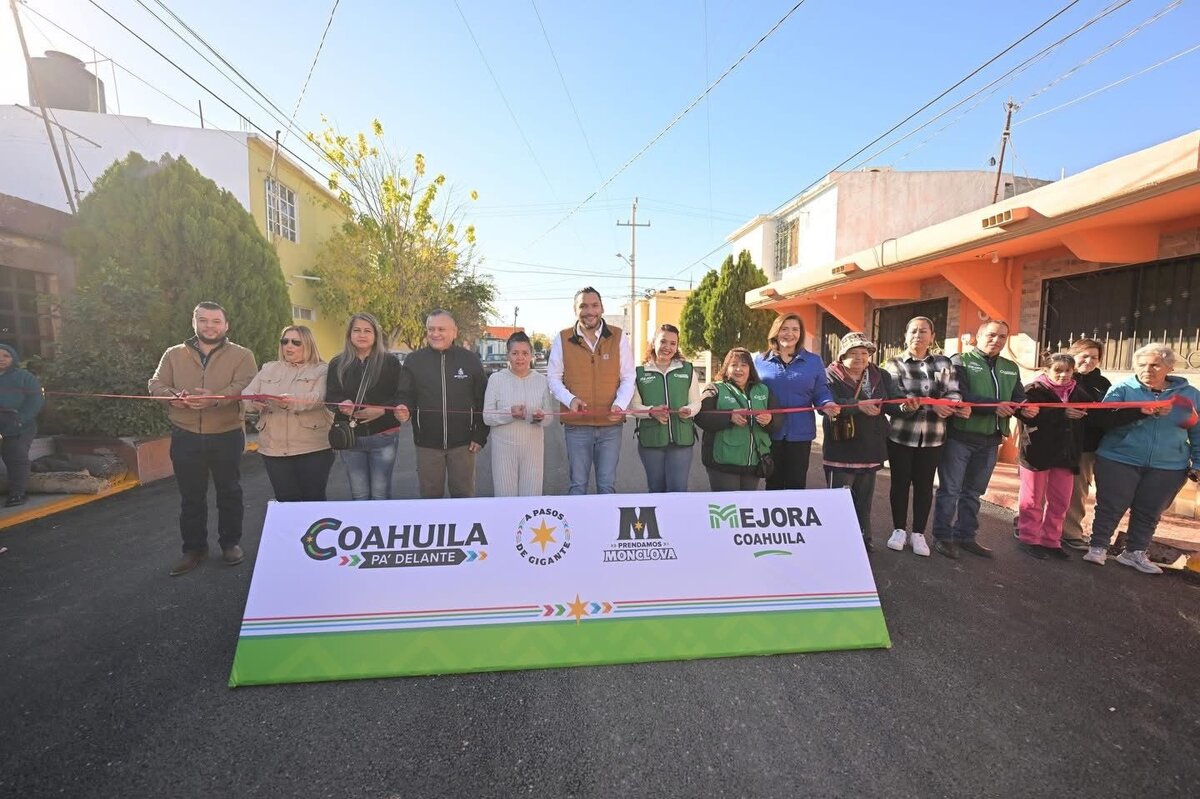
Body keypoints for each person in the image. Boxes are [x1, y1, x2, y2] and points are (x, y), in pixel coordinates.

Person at [148, 301, 257, 576]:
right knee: (191, 497)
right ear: (194, 322)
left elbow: (245, 385)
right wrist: (174, 397)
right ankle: (194, 549)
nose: (210, 326)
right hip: (185, 435)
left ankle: (230, 543)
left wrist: (215, 399)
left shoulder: (243, 355)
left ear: (226, 325)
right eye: (204, 320)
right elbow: (156, 384)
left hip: (226, 433)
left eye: (216, 321)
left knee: (229, 492)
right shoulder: (173, 354)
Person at [1083, 343, 1200, 574]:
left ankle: (1134, 553)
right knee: (1110, 506)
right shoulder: (1123, 388)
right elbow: (1104, 420)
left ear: (1169, 367)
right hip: (1119, 458)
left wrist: (1197, 463)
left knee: (1150, 511)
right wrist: (1140, 412)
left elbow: (1196, 431)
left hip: (1169, 465)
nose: (1147, 370)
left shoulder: (1189, 395)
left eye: (1155, 365)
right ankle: (1098, 547)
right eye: (1142, 364)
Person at [932, 320, 1037, 559]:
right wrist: (994, 407)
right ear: (978, 337)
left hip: (991, 440)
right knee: (950, 490)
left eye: (1002, 336)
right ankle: (942, 537)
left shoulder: (1010, 367)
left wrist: (1025, 408)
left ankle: (966, 536)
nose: (996, 340)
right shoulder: (960, 361)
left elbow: (1018, 397)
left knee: (974, 492)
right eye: (991, 335)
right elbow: (960, 394)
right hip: (960, 437)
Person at [883, 316, 961, 557]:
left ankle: (918, 533)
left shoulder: (944, 363)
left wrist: (948, 405)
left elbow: (954, 393)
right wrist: (932, 404)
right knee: (899, 483)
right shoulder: (894, 364)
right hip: (901, 435)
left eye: (923, 331)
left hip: (933, 437)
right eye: (913, 331)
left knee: (925, 486)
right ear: (906, 336)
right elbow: (896, 397)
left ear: (932, 336)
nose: (918, 335)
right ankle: (898, 529)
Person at [547, 287, 635, 494]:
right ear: (575, 310)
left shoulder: (618, 336)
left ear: (602, 308)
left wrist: (619, 404)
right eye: (583, 306)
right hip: (577, 427)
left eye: (594, 305)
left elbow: (628, 376)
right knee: (578, 485)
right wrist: (570, 400)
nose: (589, 311)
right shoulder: (563, 338)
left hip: (610, 426)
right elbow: (553, 378)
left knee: (607, 486)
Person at [396, 310, 488, 498]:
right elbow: (405, 395)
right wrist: (403, 408)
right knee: (430, 496)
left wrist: (480, 435)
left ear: (454, 332)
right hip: (427, 443)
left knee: (463, 495)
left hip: (464, 444)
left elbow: (482, 400)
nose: (435, 333)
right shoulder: (414, 361)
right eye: (431, 329)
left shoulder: (470, 360)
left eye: (441, 329)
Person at [242, 326, 334, 502]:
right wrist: (253, 401)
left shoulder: (322, 370)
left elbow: (319, 398)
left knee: (313, 500)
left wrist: (290, 400)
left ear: (308, 344)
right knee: (285, 501)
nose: (288, 346)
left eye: (295, 342)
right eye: (285, 341)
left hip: (313, 448)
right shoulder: (268, 368)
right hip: (274, 449)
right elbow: (246, 394)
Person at [1015, 353, 1091, 560]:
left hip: (1066, 454)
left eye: (1068, 371)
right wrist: (1062, 414)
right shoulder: (1033, 390)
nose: (1063, 375)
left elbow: (1093, 414)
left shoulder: (1079, 392)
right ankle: (1028, 538)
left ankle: (1051, 540)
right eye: (1058, 370)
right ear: (1046, 370)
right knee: (1032, 500)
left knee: (1060, 500)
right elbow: (1025, 416)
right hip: (1037, 453)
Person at [822, 333, 894, 552]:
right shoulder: (829, 375)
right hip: (841, 446)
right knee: (838, 501)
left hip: (870, 446)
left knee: (864, 500)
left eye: (864, 353)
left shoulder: (880, 375)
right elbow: (827, 404)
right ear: (842, 356)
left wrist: (907, 407)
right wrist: (859, 406)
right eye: (853, 353)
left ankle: (863, 538)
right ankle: (837, 542)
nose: (860, 357)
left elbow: (891, 403)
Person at [753, 313, 839, 490]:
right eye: (784, 329)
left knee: (797, 483)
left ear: (801, 333)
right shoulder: (760, 361)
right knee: (773, 482)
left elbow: (821, 391)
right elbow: (752, 391)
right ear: (776, 332)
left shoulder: (814, 361)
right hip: (770, 430)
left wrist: (827, 404)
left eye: (795, 329)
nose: (789, 334)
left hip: (801, 432)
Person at [325, 313, 403, 501]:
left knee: (380, 494)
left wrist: (382, 410)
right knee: (358, 494)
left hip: (383, 436)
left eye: (367, 331)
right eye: (357, 330)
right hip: (351, 437)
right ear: (349, 334)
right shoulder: (337, 363)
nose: (362, 335)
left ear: (376, 335)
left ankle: (380, 522)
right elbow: (330, 397)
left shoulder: (390, 363)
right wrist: (341, 404)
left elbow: (401, 396)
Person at [695, 347, 780, 491]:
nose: (739, 369)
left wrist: (770, 420)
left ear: (750, 369)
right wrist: (729, 417)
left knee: (747, 503)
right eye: (734, 365)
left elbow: (778, 417)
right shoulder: (714, 389)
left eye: (744, 365)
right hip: (723, 465)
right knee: (727, 504)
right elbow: (701, 416)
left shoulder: (763, 390)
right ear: (726, 368)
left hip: (754, 463)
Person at [629, 323, 701, 493]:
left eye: (673, 343)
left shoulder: (687, 370)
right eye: (663, 341)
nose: (667, 347)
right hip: (651, 439)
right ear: (654, 342)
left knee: (678, 489)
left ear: (677, 346)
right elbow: (634, 406)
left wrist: (689, 411)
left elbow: (696, 402)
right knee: (656, 489)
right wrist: (651, 412)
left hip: (681, 440)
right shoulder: (639, 372)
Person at [482, 331, 552, 497]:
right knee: (505, 497)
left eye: (525, 353)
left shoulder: (541, 380)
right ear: (508, 355)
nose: (520, 358)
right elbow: (487, 417)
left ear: (531, 355)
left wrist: (541, 417)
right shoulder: (496, 379)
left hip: (533, 449)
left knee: (532, 497)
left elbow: (549, 416)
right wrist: (510, 413)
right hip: (503, 450)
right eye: (515, 353)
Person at [1061, 338, 1111, 551]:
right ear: (1073, 355)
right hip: (1054, 442)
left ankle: (1070, 533)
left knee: (1077, 490)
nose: (1089, 361)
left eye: (1094, 357)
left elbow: (1108, 414)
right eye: (1084, 356)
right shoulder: (1059, 375)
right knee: (1041, 486)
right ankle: (1029, 525)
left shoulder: (1103, 384)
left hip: (1085, 446)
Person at [0, 343, 44, 507]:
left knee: (15, 457)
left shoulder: (24, 377)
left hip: (18, 425)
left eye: (6, 356)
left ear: (13, 358)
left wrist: (20, 419)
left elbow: (36, 400)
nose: (1, 359)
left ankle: (17, 494)